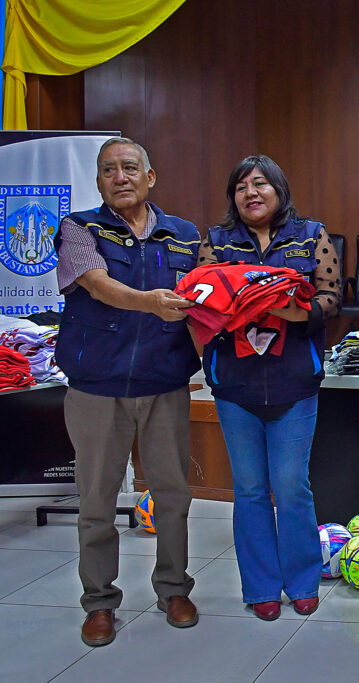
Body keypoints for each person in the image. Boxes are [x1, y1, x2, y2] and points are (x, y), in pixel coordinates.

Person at [54, 137, 200, 646]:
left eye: (130, 167)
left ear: (150, 176)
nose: (120, 177)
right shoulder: (77, 228)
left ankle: (174, 589)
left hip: (165, 384)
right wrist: (148, 301)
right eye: (109, 170)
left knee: (174, 496)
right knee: (96, 499)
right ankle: (99, 602)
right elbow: (96, 284)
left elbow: (205, 298)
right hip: (97, 387)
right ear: (98, 181)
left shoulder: (185, 236)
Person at [195, 155, 340, 621]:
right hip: (234, 385)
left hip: (294, 381)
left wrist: (297, 312)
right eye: (241, 187)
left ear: (279, 189)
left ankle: (301, 581)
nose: (251, 193)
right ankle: (259, 586)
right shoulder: (215, 242)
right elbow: (198, 300)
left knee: (292, 486)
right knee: (251, 489)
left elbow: (332, 296)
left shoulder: (309, 234)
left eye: (260, 184)